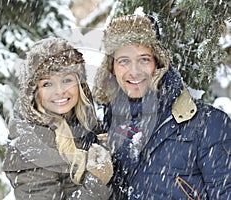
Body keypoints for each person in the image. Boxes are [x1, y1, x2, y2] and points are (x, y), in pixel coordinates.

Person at [92, 14, 231, 199]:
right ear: (111, 68)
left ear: (158, 63)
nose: (134, 71)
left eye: (144, 59)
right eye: (124, 60)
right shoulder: (106, 126)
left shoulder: (209, 125)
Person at [3, 37, 113, 200]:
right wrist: (96, 182)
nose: (60, 91)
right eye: (47, 84)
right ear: (34, 91)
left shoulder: (85, 123)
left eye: (67, 80)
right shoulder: (30, 146)